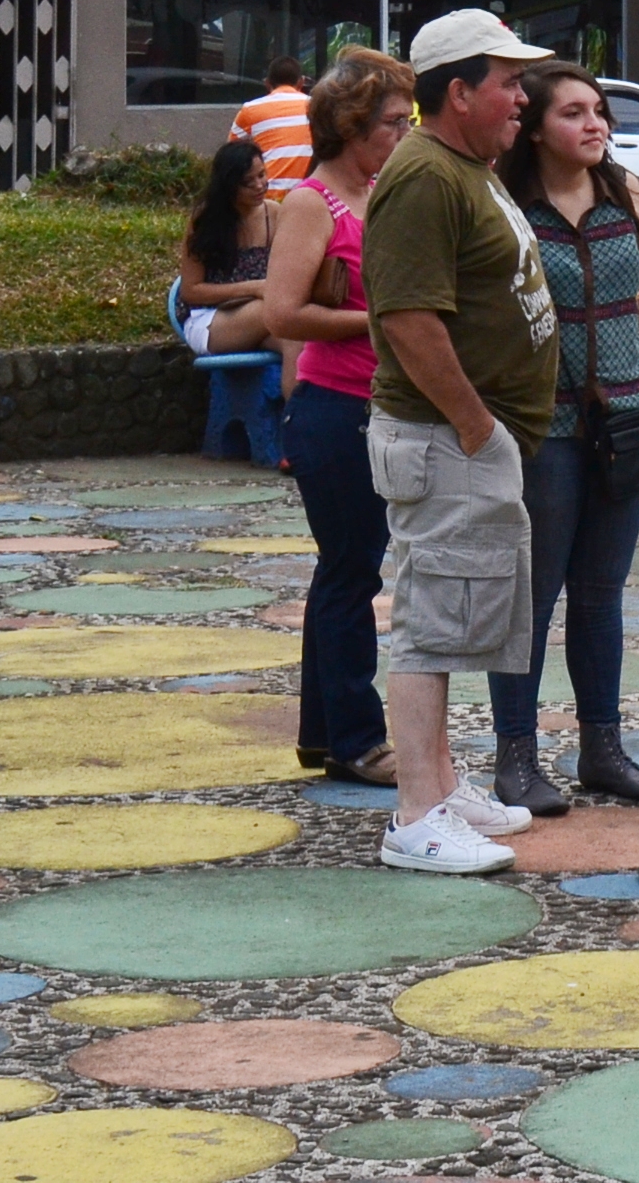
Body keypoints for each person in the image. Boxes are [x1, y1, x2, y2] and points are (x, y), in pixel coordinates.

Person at [362, 8, 559, 875]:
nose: (522, 97)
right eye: (507, 82)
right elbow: (408, 316)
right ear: (458, 92)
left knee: (454, 612)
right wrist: (478, 427)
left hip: (465, 438)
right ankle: (416, 814)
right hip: (445, 437)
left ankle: (439, 784)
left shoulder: (462, 166)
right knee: (430, 623)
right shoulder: (424, 178)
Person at [488, 62, 639, 816]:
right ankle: (517, 756)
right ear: (533, 127)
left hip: (624, 413)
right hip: (545, 422)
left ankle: (603, 746)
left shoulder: (627, 194)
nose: (596, 124)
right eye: (574, 113)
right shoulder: (506, 204)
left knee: (602, 590)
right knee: (530, 593)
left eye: (599, 111)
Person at [262, 46, 415, 787]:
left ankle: (327, 732)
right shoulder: (309, 204)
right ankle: (357, 736)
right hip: (334, 407)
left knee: (344, 572)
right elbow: (282, 309)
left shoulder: (383, 193)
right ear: (350, 127)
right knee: (353, 574)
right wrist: (376, 321)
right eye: (391, 123)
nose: (401, 134)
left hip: (374, 403)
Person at [177, 141, 280, 355]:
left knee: (300, 346)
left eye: (262, 175)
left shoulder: (274, 214)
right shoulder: (206, 219)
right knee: (280, 309)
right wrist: (254, 288)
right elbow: (191, 291)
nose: (259, 186)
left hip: (261, 315)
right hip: (210, 318)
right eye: (247, 182)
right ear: (229, 185)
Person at [232, 56, 316, 194]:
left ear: (267, 83)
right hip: (310, 194)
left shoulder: (250, 109)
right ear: (301, 82)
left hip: (267, 195)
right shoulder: (317, 106)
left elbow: (233, 156)